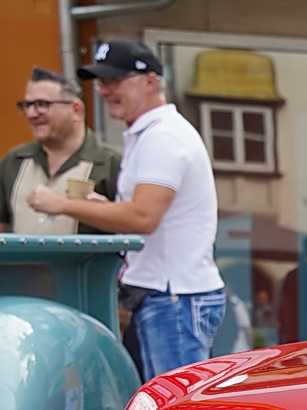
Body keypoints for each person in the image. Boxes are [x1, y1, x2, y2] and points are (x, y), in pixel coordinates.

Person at [26, 39, 223, 379]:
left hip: (173, 298)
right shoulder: (152, 133)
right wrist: (106, 209)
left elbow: (143, 218)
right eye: (102, 82)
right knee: (166, 405)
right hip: (169, 296)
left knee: (173, 408)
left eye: (115, 81)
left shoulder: (163, 136)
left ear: (149, 81)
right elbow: (145, 214)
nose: (105, 90)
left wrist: (63, 204)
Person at [0, 67, 120, 235]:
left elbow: (133, 227)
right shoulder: (14, 160)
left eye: (42, 105)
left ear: (76, 110)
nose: (32, 114)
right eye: (27, 105)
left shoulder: (111, 163)